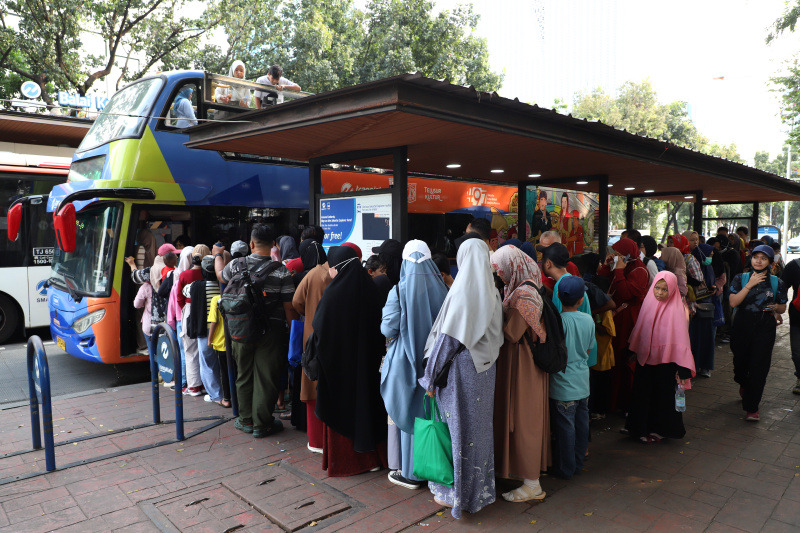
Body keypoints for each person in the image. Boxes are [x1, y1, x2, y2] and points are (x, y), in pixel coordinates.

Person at [419, 238, 504, 518]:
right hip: (484, 370)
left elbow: (447, 341)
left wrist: (429, 379)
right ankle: (479, 490)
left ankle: (456, 494)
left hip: (461, 373)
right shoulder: (490, 290)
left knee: (457, 430)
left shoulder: (464, 291)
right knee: (478, 431)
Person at [214, 224, 299, 437]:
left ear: (251, 243)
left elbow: (221, 277)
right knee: (266, 376)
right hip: (271, 332)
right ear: (273, 245)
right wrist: (291, 334)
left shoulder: (234, 265)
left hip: (239, 329)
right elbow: (289, 307)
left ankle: (246, 421)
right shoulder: (281, 270)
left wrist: (217, 255)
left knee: (243, 374)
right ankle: (262, 424)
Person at [312, 245, 388, 475]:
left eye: (332, 268)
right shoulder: (371, 290)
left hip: (341, 370)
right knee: (370, 409)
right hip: (370, 367)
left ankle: (353, 463)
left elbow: (321, 331)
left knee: (343, 412)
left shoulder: (333, 296)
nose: (330, 272)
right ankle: (376, 459)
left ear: (340, 267)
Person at [380, 241, 448, 489]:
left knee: (406, 411)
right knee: (429, 412)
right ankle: (431, 466)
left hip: (404, 363)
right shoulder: (443, 289)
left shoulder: (398, 290)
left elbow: (387, 328)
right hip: (436, 363)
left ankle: (409, 472)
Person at [489, 245, 549, 502]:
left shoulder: (523, 294)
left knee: (525, 420)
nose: (499, 275)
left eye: (500, 270)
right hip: (523, 362)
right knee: (522, 418)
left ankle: (531, 483)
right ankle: (523, 474)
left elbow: (512, 332)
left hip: (523, 364)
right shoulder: (525, 287)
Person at [625, 271, 695, 443]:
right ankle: (639, 429)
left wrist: (682, 367)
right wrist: (632, 350)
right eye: (657, 288)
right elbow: (640, 329)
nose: (659, 293)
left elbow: (681, 339)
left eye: (664, 289)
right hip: (646, 359)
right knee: (642, 394)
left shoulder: (677, 310)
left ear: (672, 290)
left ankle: (661, 430)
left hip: (667, 362)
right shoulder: (648, 304)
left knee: (663, 397)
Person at [729, 245, 788, 421]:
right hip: (742, 324)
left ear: (770, 261)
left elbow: (783, 306)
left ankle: (752, 407)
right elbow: (733, 302)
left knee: (759, 367)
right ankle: (743, 383)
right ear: (751, 259)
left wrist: (776, 308)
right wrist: (749, 285)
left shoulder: (778, 282)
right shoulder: (741, 278)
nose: (759, 261)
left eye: (763, 258)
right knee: (740, 363)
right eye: (756, 257)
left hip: (765, 326)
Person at [548, 276, 596, 479]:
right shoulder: (588, 319)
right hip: (582, 382)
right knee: (581, 425)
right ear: (580, 300)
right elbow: (588, 348)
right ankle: (577, 463)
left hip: (562, 384)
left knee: (565, 429)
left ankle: (566, 469)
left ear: (558, 295)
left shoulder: (558, 322)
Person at [597, 238, 650, 412]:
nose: (616, 257)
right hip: (615, 317)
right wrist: (607, 266)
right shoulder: (623, 265)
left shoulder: (640, 270)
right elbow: (604, 283)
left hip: (629, 318)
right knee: (614, 360)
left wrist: (619, 271)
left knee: (624, 359)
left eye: (619, 254)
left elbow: (626, 292)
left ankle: (625, 403)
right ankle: (612, 401)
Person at [292, 243, 333, 453]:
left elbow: (296, 301)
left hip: (311, 337)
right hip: (334, 338)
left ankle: (316, 440)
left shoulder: (313, 274)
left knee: (310, 384)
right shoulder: (340, 273)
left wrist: (308, 312)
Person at [188, 256, 227, 406]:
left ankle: (216, 395)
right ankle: (228, 395)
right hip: (223, 332)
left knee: (208, 364)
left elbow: (185, 292)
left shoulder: (196, 286)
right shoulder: (223, 285)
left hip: (205, 332)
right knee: (225, 364)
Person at [781, 253, 800, 394]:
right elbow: (782, 288)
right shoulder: (793, 266)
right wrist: (777, 308)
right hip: (797, 315)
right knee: (797, 352)